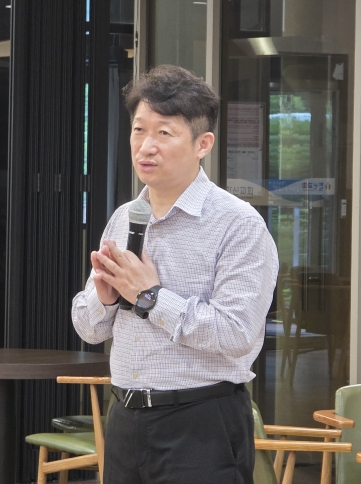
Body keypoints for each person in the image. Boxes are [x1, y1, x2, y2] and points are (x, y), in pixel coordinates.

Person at [71, 64, 279, 484]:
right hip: (125, 419)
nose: (146, 146)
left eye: (164, 133)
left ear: (203, 144)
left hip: (201, 424)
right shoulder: (125, 217)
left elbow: (237, 334)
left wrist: (150, 298)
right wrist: (105, 300)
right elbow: (89, 330)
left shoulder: (238, 224)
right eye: (139, 130)